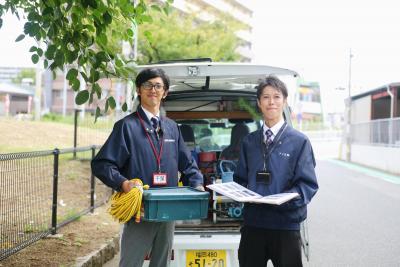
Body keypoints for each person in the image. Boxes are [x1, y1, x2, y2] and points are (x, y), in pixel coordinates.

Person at [91, 68, 204, 267]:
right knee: (131, 263)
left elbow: (188, 165)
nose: (153, 89)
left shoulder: (171, 128)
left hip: (168, 209)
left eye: (158, 86)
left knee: (161, 263)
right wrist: (123, 184)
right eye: (147, 85)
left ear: (165, 92)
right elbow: (102, 164)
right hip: (139, 211)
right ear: (139, 90)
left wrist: (197, 184)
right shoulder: (126, 126)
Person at [234, 76, 318, 267]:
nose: (271, 102)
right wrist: (236, 191)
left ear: (285, 101)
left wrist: (284, 200)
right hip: (253, 225)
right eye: (265, 97)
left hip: (286, 225)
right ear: (258, 103)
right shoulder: (249, 142)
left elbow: (308, 185)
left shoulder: (299, 142)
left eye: (277, 96)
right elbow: (240, 180)